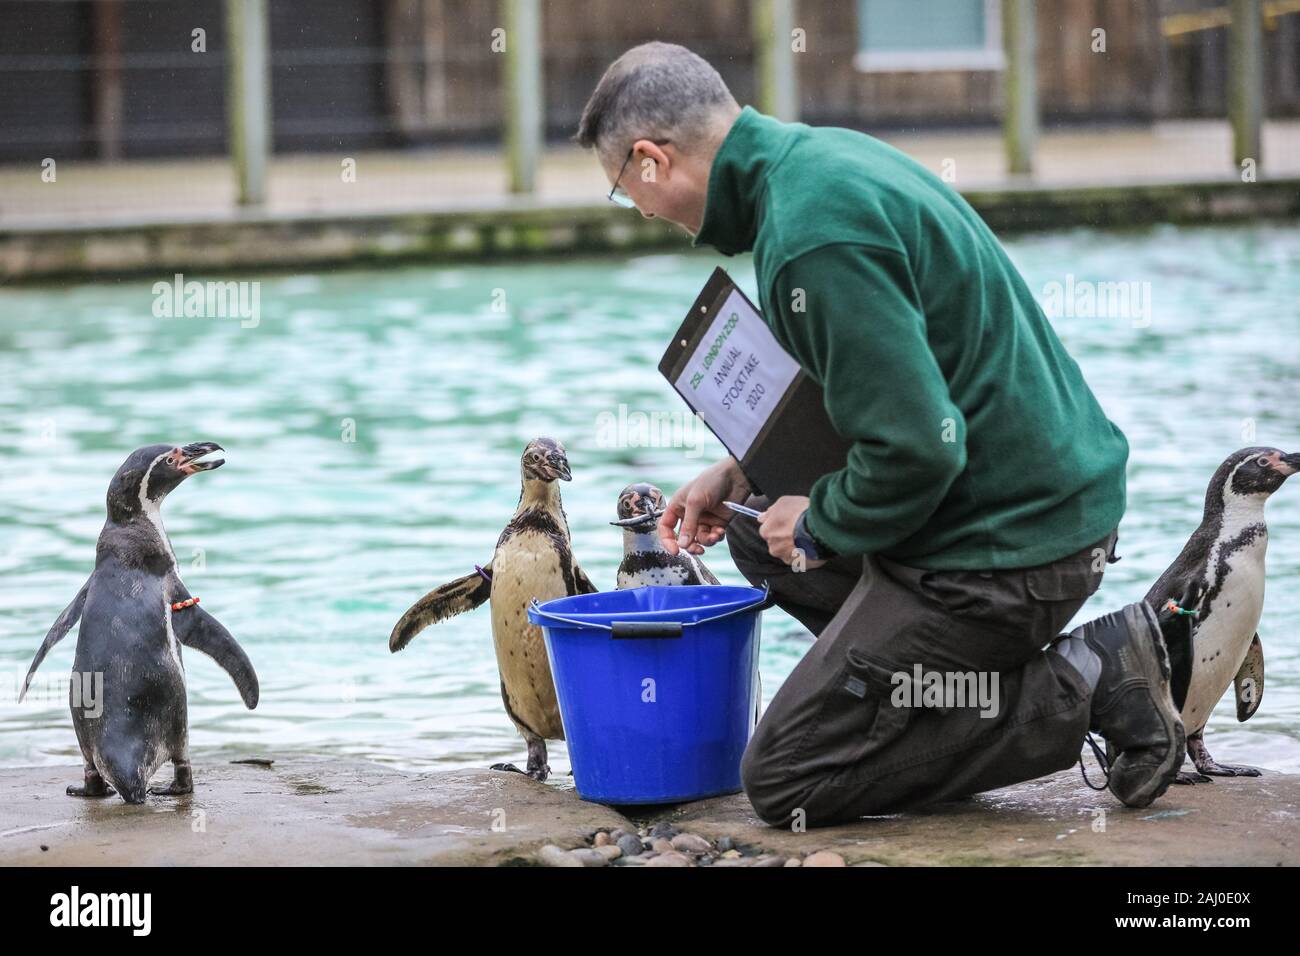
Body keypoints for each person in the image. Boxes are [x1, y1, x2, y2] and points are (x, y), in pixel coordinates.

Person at [575, 43, 1184, 827]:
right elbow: (867, 384)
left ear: (652, 160)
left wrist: (827, 521)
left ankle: (1091, 680)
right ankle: (919, 703)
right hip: (1025, 504)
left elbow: (920, 449)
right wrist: (737, 471)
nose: (646, 214)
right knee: (760, 532)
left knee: (786, 779)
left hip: (1011, 551)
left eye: (628, 193)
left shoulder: (809, 239)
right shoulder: (814, 163)